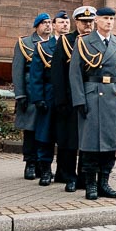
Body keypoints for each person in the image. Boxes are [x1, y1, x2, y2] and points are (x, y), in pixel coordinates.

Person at [71, 7, 116, 200]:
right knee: (90, 145)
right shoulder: (84, 42)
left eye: (112, 19)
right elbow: (75, 74)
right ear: (96, 20)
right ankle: (90, 185)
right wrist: (79, 99)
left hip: (113, 96)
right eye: (105, 18)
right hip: (92, 95)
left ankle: (104, 182)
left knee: (110, 145)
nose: (109, 22)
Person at [50, 6, 96, 192]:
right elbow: (58, 73)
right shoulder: (66, 41)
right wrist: (60, 100)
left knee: (86, 140)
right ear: (76, 22)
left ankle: (84, 176)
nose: (87, 25)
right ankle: (66, 174)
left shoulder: (95, 41)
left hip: (90, 98)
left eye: (90, 21)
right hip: (68, 99)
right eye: (84, 22)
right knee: (68, 140)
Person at [31, 11, 73, 186]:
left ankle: (65, 172)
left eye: (67, 22)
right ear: (54, 25)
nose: (65, 25)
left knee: (66, 136)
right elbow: (36, 75)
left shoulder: (76, 45)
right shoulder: (44, 47)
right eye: (61, 22)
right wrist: (38, 98)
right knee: (45, 135)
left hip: (68, 98)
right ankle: (46, 171)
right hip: (49, 97)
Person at [12, 13, 50, 180]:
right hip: (30, 92)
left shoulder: (54, 43)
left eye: (49, 22)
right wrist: (20, 94)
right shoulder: (25, 43)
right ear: (37, 26)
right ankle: (30, 163)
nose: (47, 26)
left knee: (46, 130)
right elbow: (18, 70)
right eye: (44, 23)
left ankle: (43, 165)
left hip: (47, 92)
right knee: (30, 130)